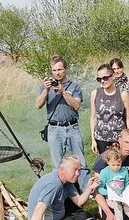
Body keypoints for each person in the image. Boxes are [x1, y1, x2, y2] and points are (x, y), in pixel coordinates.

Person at [23, 156, 99, 220]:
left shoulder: (66, 180)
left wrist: (89, 188)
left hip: (57, 214)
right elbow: (38, 211)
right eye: (74, 170)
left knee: (80, 212)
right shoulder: (54, 185)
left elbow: (79, 202)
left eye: (79, 170)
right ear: (62, 169)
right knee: (89, 219)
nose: (78, 174)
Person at [34, 55, 88, 190]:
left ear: (66, 69)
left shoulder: (74, 86)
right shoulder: (45, 87)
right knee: (57, 165)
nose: (57, 73)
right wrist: (46, 90)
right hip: (54, 128)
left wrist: (63, 92)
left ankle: (87, 190)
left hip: (72, 127)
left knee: (81, 161)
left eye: (60, 69)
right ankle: (60, 191)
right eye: (54, 70)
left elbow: (76, 105)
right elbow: (38, 105)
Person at [89, 64, 129, 154]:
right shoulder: (95, 93)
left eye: (105, 78)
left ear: (113, 76)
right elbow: (93, 118)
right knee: (105, 166)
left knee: (120, 166)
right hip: (101, 139)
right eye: (99, 79)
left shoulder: (123, 94)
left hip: (119, 139)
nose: (102, 81)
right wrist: (93, 139)